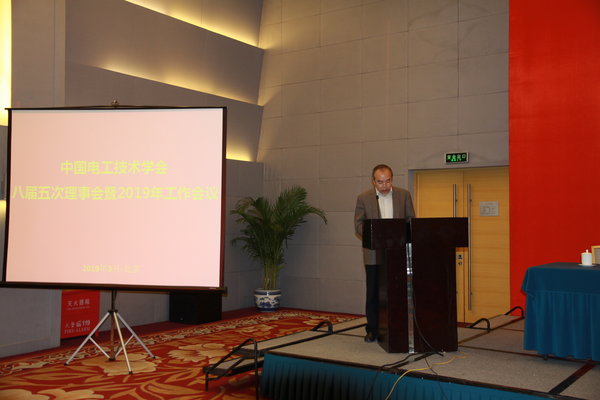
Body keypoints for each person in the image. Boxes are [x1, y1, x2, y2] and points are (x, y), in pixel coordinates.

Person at [354, 164, 415, 343]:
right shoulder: (363, 198)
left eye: (388, 181)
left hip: (397, 253)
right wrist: (376, 235)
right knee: (373, 292)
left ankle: (398, 326)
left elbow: (411, 220)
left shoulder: (404, 195)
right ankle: (372, 329)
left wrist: (402, 235)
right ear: (373, 181)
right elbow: (358, 225)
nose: (384, 185)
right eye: (380, 182)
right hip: (374, 253)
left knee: (397, 291)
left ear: (392, 179)